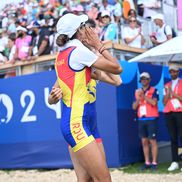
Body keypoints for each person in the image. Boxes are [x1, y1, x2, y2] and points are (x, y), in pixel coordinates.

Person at [50, 13, 122, 182]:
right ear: (79, 32)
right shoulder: (77, 53)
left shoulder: (67, 55)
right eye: (84, 26)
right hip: (77, 124)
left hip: (86, 124)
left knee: (87, 180)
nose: (88, 29)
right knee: (104, 180)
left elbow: (117, 80)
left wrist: (96, 50)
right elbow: (117, 68)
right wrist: (99, 44)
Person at [132, 72, 159, 170]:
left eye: (146, 79)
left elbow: (154, 103)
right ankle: (147, 162)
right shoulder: (137, 91)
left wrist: (144, 96)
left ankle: (154, 163)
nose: (144, 80)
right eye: (142, 79)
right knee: (144, 141)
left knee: (152, 141)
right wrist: (139, 99)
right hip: (141, 119)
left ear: (149, 80)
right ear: (140, 80)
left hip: (151, 119)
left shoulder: (154, 90)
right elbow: (134, 107)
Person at [163, 65, 182, 172]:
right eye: (171, 72)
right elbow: (164, 102)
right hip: (169, 113)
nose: (172, 73)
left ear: (178, 72)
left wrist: (173, 93)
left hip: (180, 112)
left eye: (174, 71)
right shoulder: (167, 85)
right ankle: (174, 161)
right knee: (173, 137)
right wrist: (168, 93)